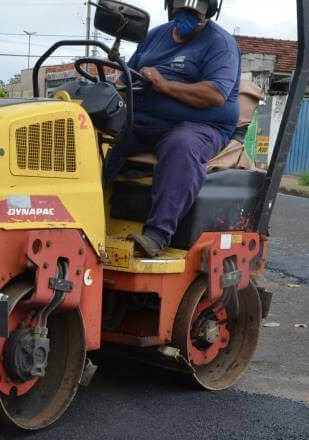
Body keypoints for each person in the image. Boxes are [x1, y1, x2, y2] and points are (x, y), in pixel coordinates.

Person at [103, 0, 241, 257]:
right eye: (182, 11)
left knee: (182, 145)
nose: (188, 17)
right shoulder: (156, 35)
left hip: (201, 125)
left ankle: (157, 235)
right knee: (100, 136)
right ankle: (83, 215)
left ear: (209, 12)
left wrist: (164, 86)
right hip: (146, 119)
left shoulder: (221, 44)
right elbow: (126, 78)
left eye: (195, 14)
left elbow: (215, 95)